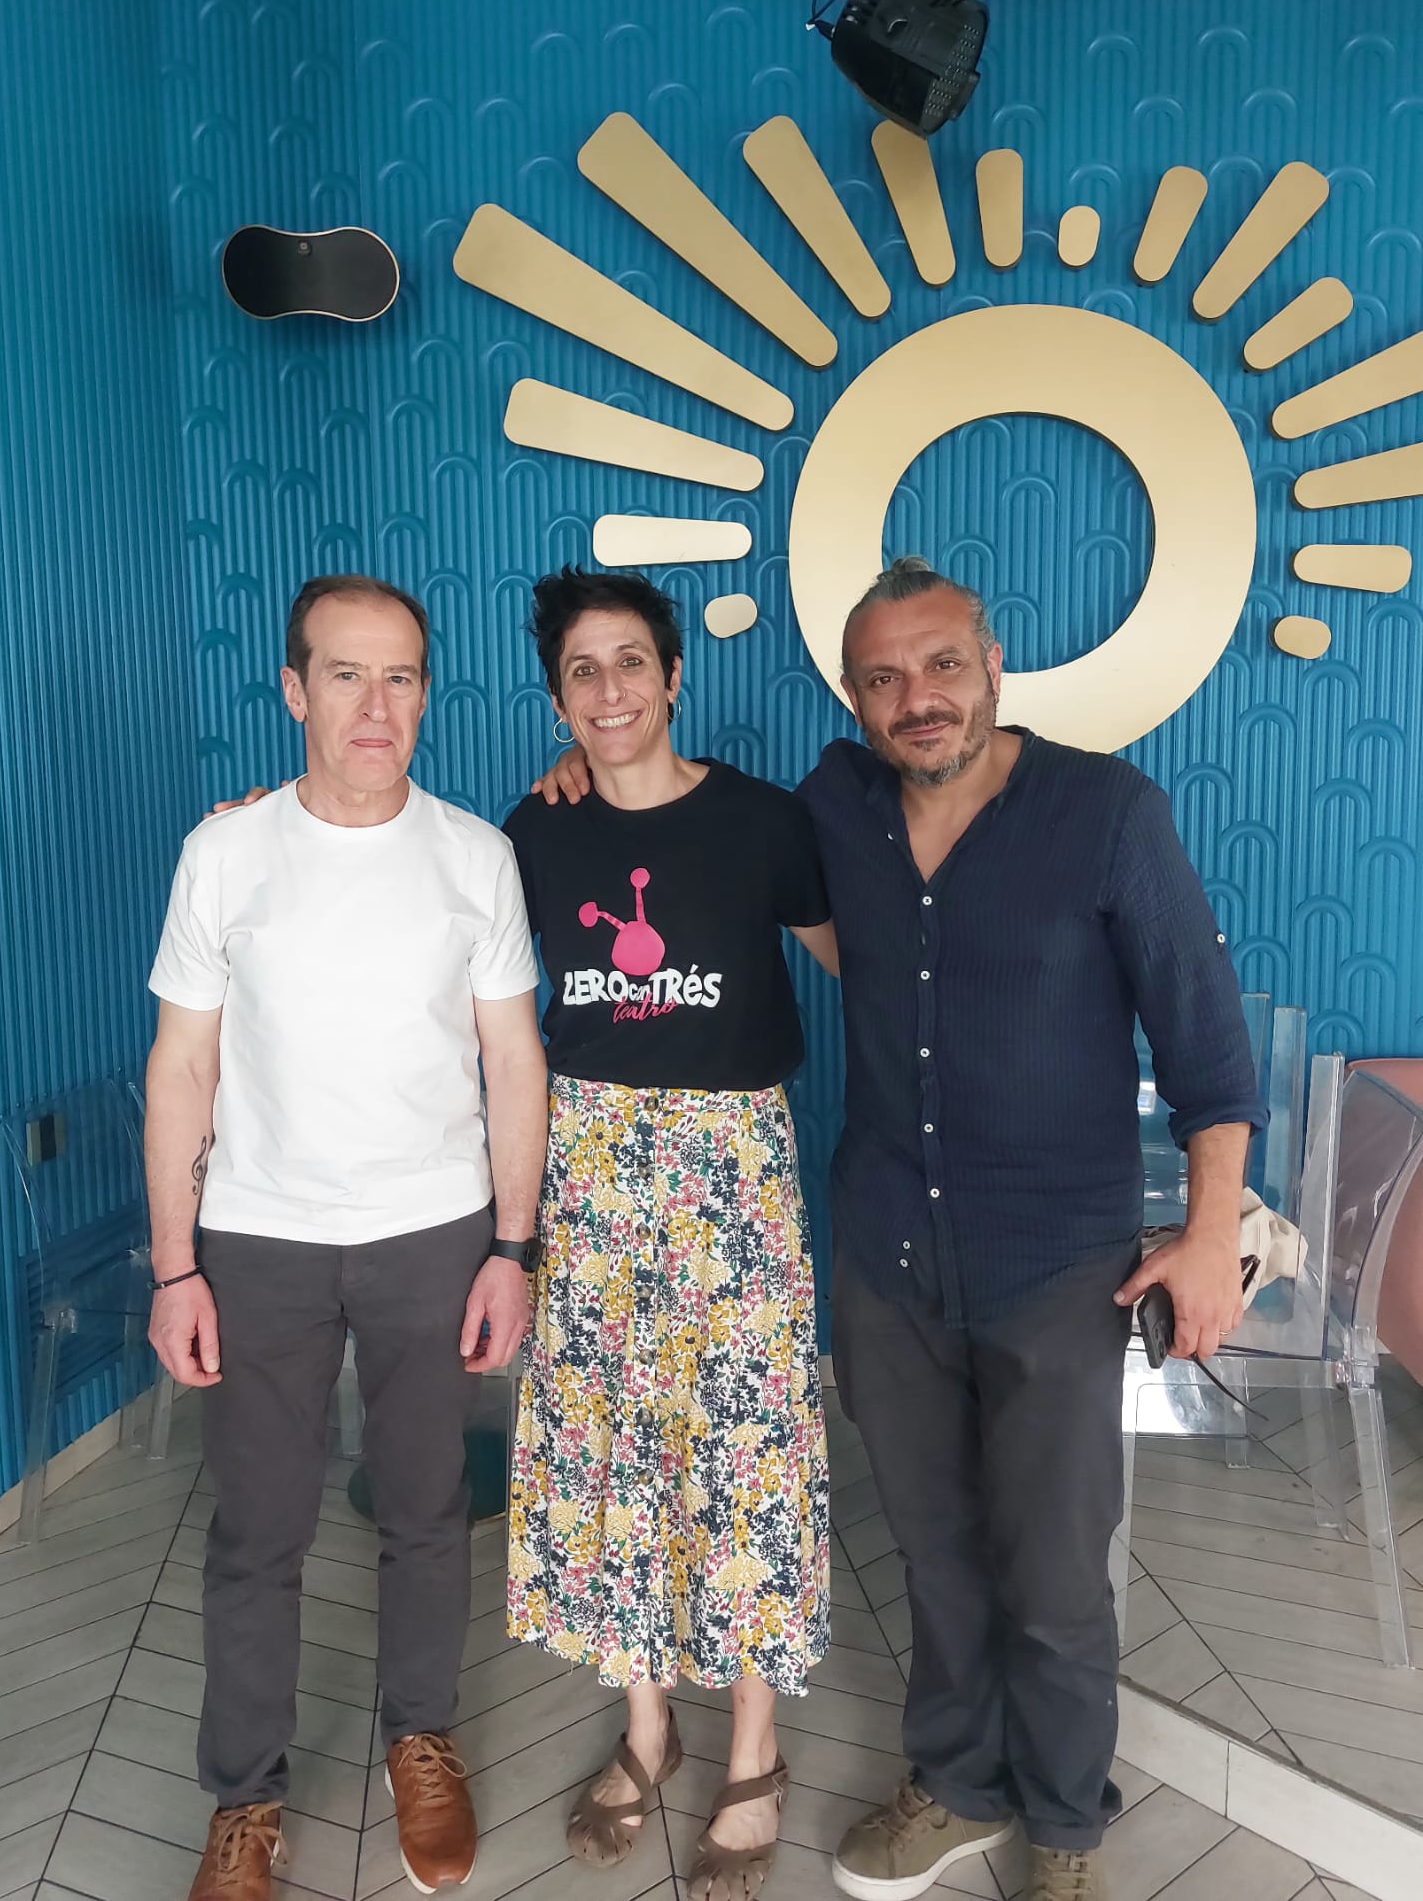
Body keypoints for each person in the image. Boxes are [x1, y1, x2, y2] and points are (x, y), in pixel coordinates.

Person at [536, 556, 1266, 1901]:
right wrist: (586, 766)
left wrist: (1211, 1230)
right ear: (855, 697)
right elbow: (669, 822)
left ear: (992, 665)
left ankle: (1066, 1831)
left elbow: (1209, 1051)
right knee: (931, 1548)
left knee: (1054, 1571)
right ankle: (959, 1783)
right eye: (883, 678)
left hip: (1057, 1261)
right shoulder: (838, 805)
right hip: (889, 1253)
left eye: (941, 665)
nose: (917, 697)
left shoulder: (1106, 813)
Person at [145, 573, 547, 1901]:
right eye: (346, 675)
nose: (377, 706)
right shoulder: (224, 854)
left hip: (434, 1235)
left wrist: (511, 1249)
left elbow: (514, 1060)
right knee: (257, 1531)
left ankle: (419, 1739)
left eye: (402, 678)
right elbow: (182, 1068)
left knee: (427, 1510)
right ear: (294, 690)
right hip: (258, 1240)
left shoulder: (474, 857)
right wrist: (175, 1267)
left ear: (427, 694)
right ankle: (245, 1800)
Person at [502, 567, 836, 1901]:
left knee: (747, 1444)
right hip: (591, 1163)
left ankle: (756, 1746)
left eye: (631, 661)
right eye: (581, 671)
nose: (610, 690)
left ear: (675, 674)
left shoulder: (764, 822)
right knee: (612, 1445)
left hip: (736, 1166)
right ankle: (648, 1729)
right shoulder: (534, 832)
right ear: (557, 698)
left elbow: (871, 957)